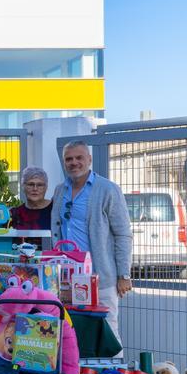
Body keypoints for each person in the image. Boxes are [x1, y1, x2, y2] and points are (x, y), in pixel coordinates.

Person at [51, 141, 134, 343]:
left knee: (108, 333)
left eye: (79, 157)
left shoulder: (108, 189)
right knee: (72, 331)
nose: (74, 163)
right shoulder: (60, 190)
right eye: (69, 159)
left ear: (89, 159)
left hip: (100, 276)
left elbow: (123, 234)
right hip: (67, 279)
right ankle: (77, 373)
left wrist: (124, 274)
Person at [10, 166, 53, 231]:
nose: (35, 189)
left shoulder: (56, 211)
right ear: (23, 187)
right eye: (30, 184)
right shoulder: (15, 214)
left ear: (46, 187)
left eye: (39, 185)